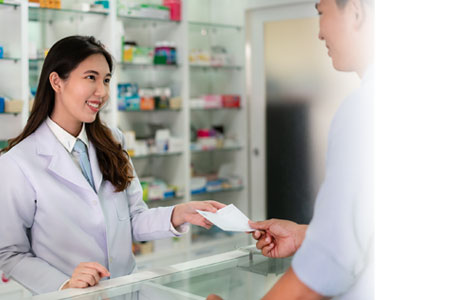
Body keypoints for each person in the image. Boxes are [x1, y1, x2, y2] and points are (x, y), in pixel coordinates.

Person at [0, 35, 225, 295]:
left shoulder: (112, 140)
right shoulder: (18, 162)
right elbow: (9, 252)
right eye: (91, 78)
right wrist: (64, 284)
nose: (103, 92)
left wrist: (178, 214)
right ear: (56, 81)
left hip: (125, 290)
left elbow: (133, 218)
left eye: (106, 80)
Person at [208, 0, 373, 299]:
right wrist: (306, 234)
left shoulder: (365, 110)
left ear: (356, 12)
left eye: (322, 13)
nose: (320, 33)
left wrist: (322, 242)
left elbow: (326, 267)